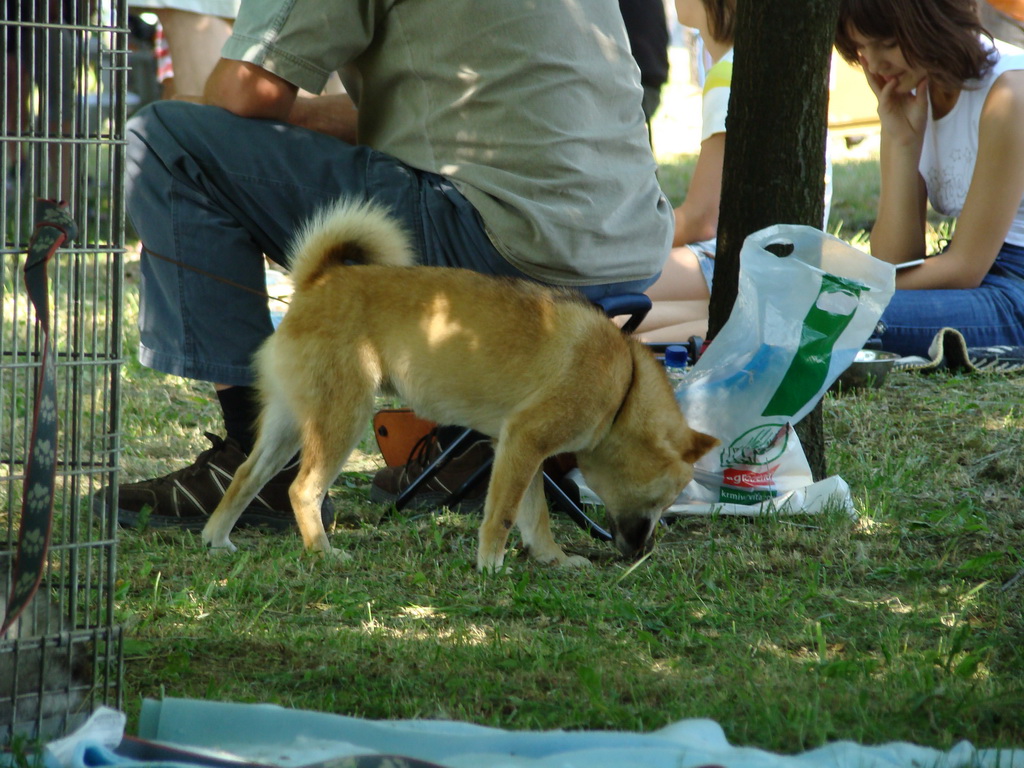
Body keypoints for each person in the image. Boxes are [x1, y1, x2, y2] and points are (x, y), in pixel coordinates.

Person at [103, 0, 674, 531]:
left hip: (508, 242)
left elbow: (245, 95)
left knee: (165, 140)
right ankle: (467, 447)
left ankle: (257, 460)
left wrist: (310, 114)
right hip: (628, 248)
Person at [834, 0, 1024, 357]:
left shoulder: (1010, 92)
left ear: (934, 22)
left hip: (1013, 290)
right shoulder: (917, 93)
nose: (874, 64)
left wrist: (847, 287)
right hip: (977, 282)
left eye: (887, 43)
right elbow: (896, 257)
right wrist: (901, 140)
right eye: (861, 48)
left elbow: (965, 268)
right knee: (811, 309)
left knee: (831, 314)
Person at [632, 0, 736, 343]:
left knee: (593, 301)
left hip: (726, 260)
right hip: (750, 259)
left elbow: (702, 219)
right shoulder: (734, 66)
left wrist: (622, 245)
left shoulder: (730, 74)